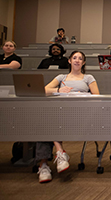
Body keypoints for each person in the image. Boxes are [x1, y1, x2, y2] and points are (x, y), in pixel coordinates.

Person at [37, 51, 99, 183]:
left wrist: (81, 95)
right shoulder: (61, 77)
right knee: (45, 121)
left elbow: (97, 97)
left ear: (83, 63)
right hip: (60, 112)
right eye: (74, 58)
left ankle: (45, 164)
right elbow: (44, 90)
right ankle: (54, 157)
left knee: (46, 122)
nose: (77, 60)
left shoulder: (88, 78)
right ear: (69, 61)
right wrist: (58, 90)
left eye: (80, 58)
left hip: (79, 113)